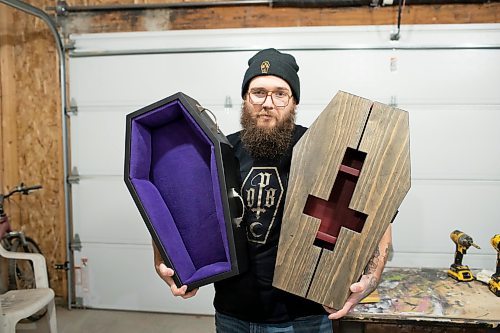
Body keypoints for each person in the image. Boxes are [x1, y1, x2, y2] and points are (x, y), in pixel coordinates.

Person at [153, 48, 393, 332]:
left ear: (294, 103)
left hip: (305, 317)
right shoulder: (218, 151)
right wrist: (165, 260)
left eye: (280, 94)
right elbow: (176, 209)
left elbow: (377, 216)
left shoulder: (324, 148)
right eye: (258, 92)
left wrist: (371, 278)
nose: (268, 103)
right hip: (233, 314)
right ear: (245, 99)